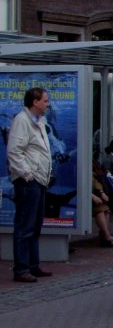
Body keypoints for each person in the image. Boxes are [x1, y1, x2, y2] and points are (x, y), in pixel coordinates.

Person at [7, 87, 53, 283]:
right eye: (45, 100)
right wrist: (27, 174)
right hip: (29, 181)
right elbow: (14, 151)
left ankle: (33, 265)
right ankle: (22, 268)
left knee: (35, 225)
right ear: (35, 102)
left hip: (39, 179)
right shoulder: (22, 120)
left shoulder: (39, 122)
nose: (47, 104)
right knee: (25, 225)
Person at [91, 156, 113, 248]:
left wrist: (101, 192)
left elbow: (96, 183)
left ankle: (104, 235)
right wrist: (94, 196)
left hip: (95, 194)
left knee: (106, 209)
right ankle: (107, 236)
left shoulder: (96, 170)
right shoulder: (82, 170)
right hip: (84, 195)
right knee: (100, 210)